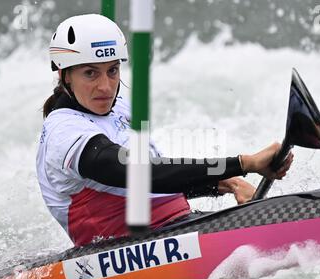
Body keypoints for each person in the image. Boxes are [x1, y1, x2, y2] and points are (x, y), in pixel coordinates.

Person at [36, 14, 293, 247]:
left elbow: (155, 181)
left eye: (112, 70)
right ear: (64, 74)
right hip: (123, 249)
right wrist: (243, 163)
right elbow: (135, 172)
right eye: (91, 73)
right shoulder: (64, 130)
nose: (106, 86)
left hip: (173, 228)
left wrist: (224, 183)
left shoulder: (120, 107)